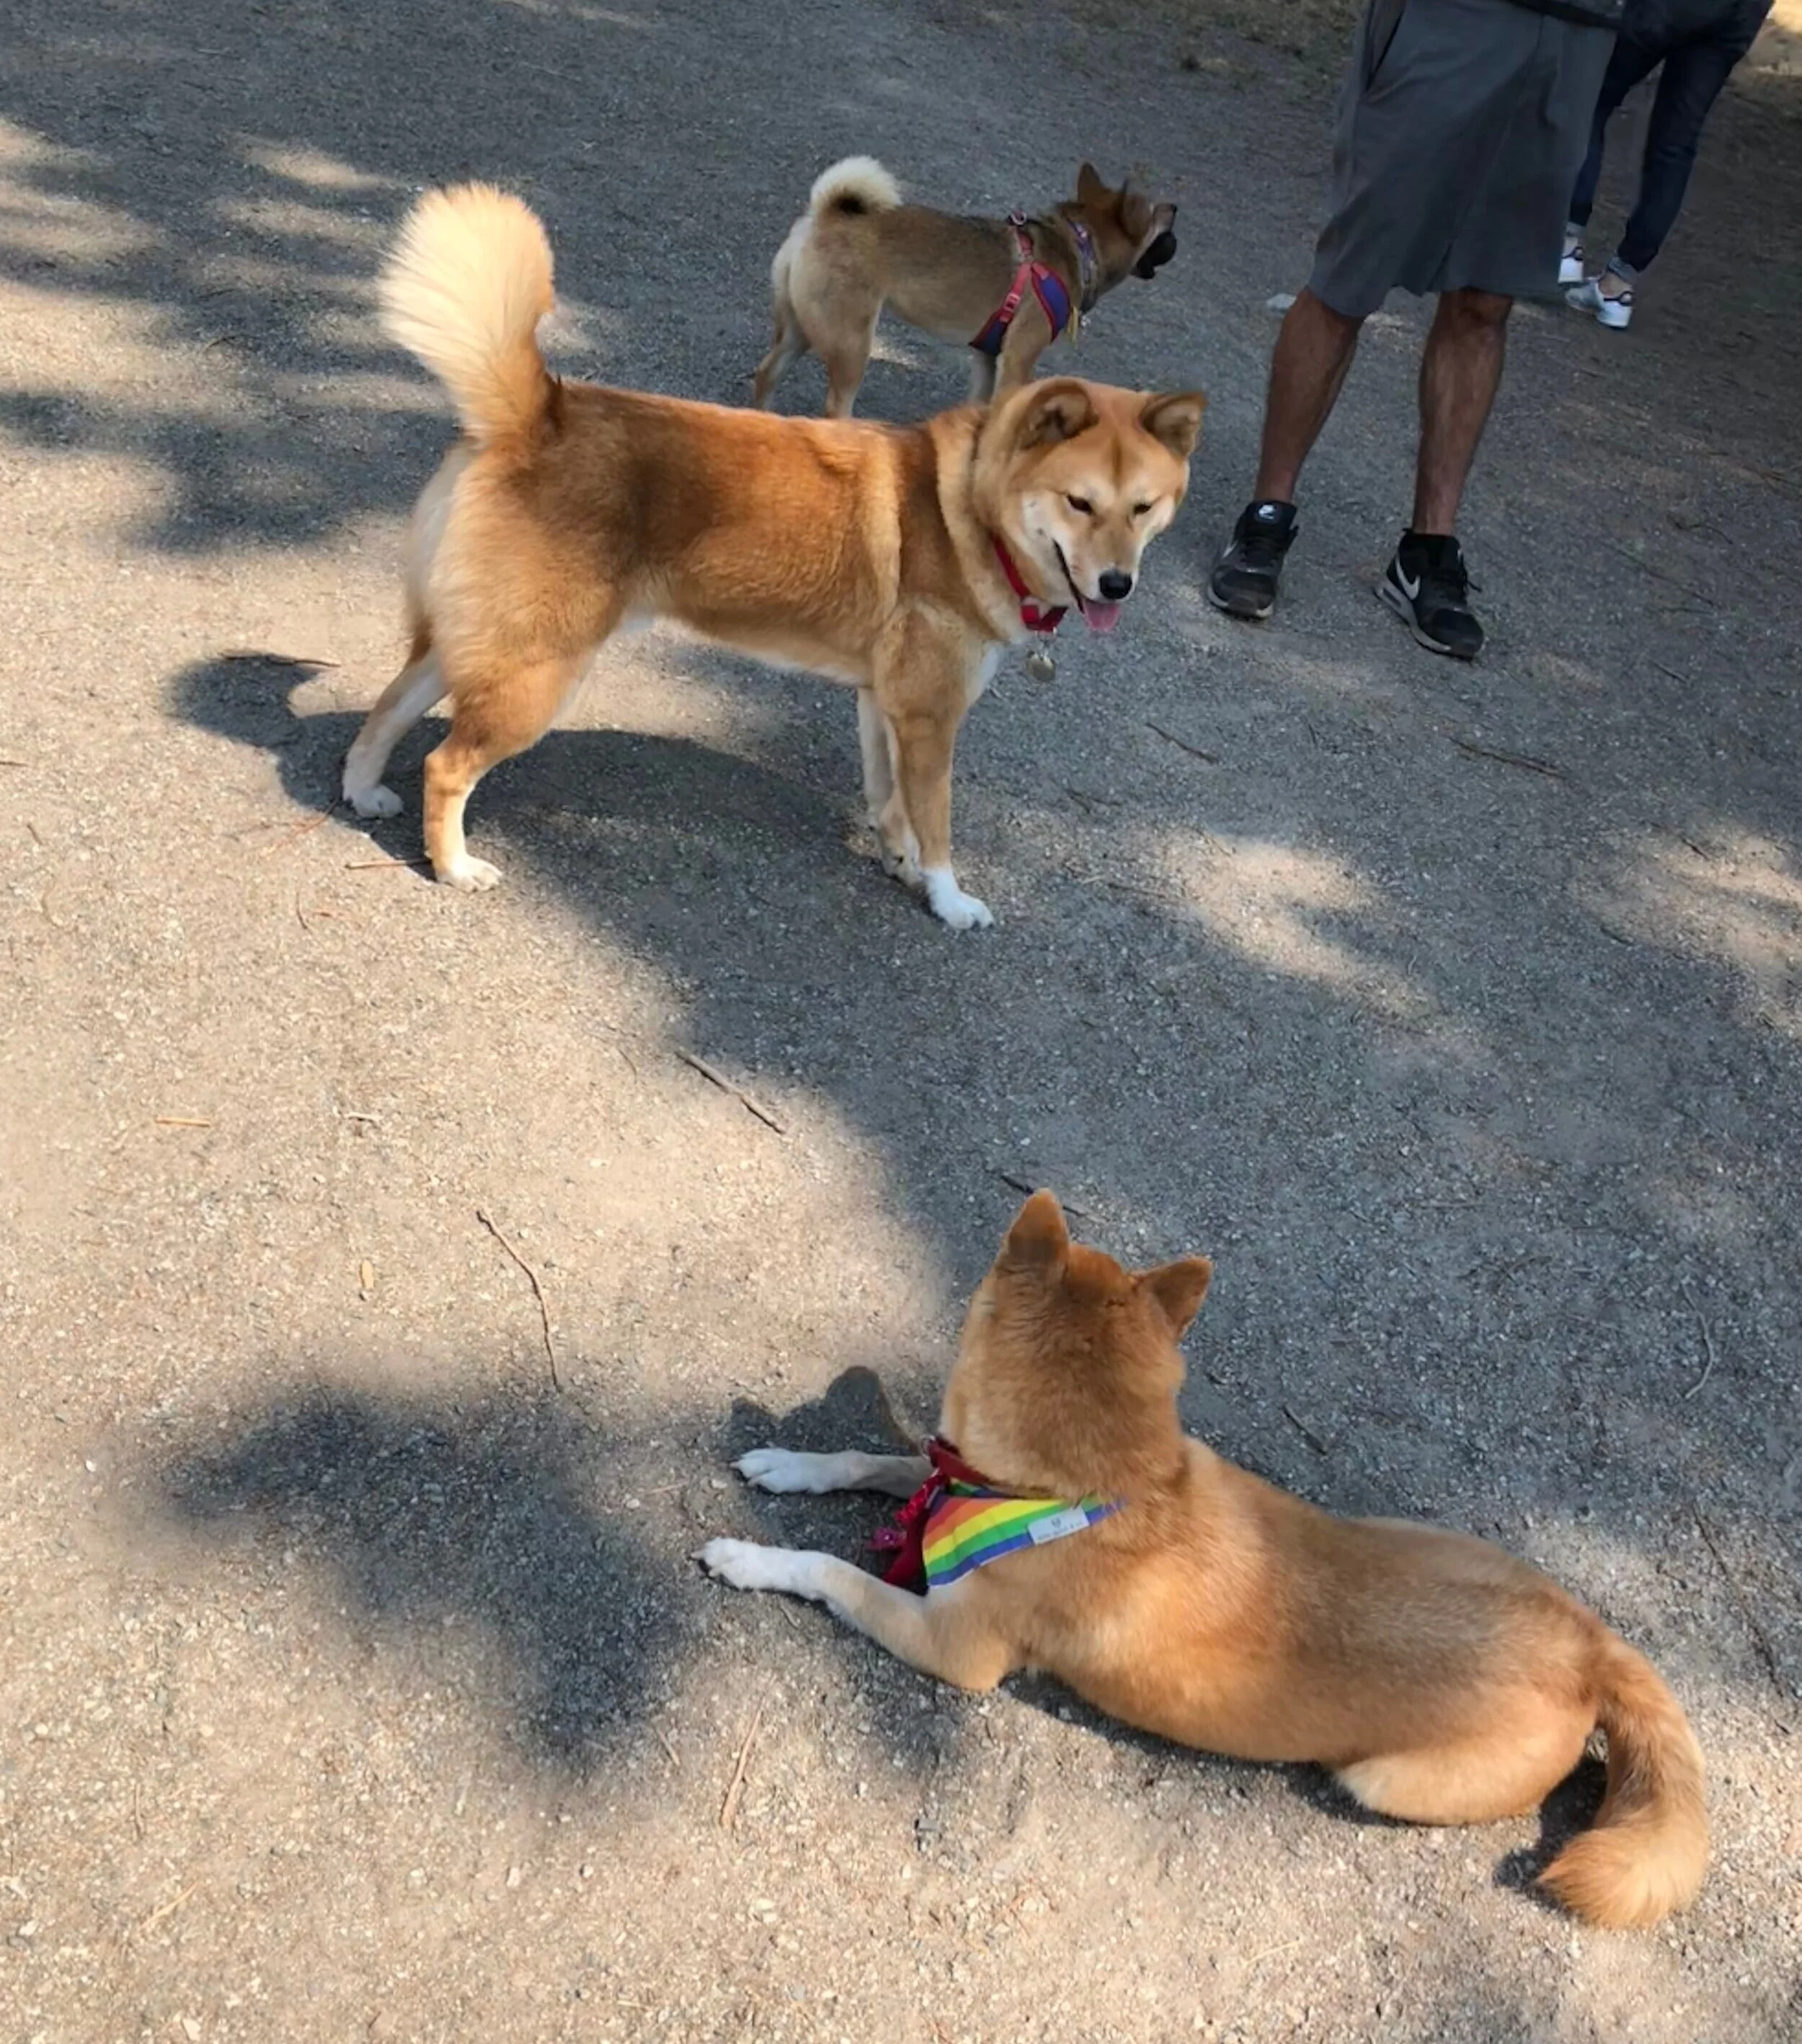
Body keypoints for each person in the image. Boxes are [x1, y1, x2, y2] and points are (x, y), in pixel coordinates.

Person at [1208, 0, 1620, 660]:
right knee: (1349, 278)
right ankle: (1266, 517)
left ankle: (1427, 553)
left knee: (1487, 298)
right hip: (1452, 18)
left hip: (1578, 29)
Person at [1562, 0, 1773, 329]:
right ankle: (1619, 284)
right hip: (1743, 12)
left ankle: (1566, 239)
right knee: (1675, 142)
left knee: (1591, 96)